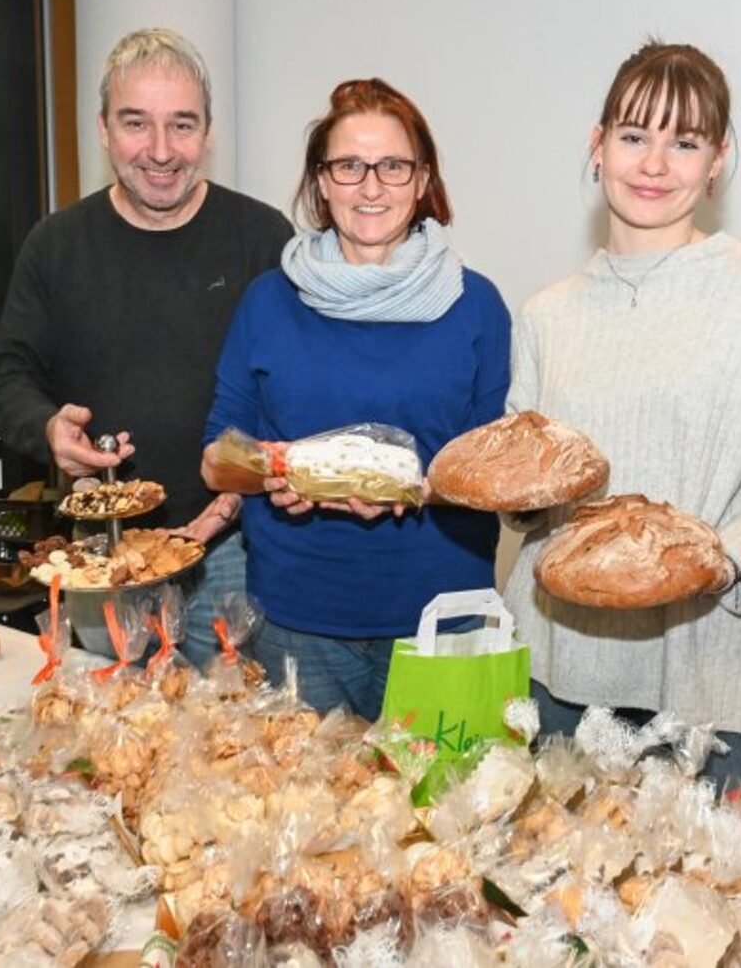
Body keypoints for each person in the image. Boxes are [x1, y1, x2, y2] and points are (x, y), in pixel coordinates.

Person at [503, 41, 741, 784]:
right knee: (557, 894)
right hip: (561, 672)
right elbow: (529, 508)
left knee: (724, 899)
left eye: (684, 143)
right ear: (598, 147)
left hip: (709, 677)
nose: (654, 164)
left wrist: (721, 564)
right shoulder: (545, 316)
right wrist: (515, 498)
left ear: (716, 160)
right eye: (634, 136)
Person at [201, 78, 511, 720]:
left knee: (452, 816)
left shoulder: (475, 305)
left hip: (441, 622)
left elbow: (494, 476)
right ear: (321, 182)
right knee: (302, 819)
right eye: (349, 167)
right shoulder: (269, 301)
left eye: (393, 166)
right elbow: (217, 459)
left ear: (422, 179)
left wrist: (404, 488)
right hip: (295, 624)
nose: (371, 187)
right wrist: (277, 471)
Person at [0, 28, 293, 664]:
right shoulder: (56, 246)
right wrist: (47, 428)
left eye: (182, 125)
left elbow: (298, 390)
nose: (160, 151)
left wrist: (238, 495)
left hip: (233, 547)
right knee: (115, 739)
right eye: (136, 123)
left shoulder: (263, 238)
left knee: (232, 742)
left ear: (208, 133)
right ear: (103, 129)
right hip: (103, 551)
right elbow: (9, 376)